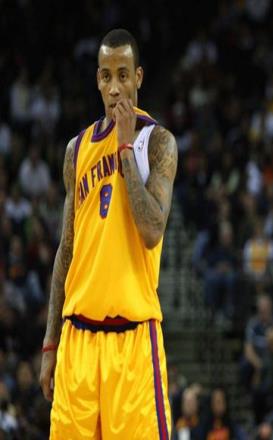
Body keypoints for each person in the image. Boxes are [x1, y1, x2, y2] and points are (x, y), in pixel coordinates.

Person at [38, 28, 178, 439]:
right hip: (77, 341)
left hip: (133, 343)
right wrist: (50, 344)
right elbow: (66, 250)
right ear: (97, 80)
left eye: (123, 75)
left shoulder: (157, 142)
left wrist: (124, 149)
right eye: (106, 76)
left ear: (138, 78)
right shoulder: (76, 150)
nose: (114, 87)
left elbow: (152, 230)